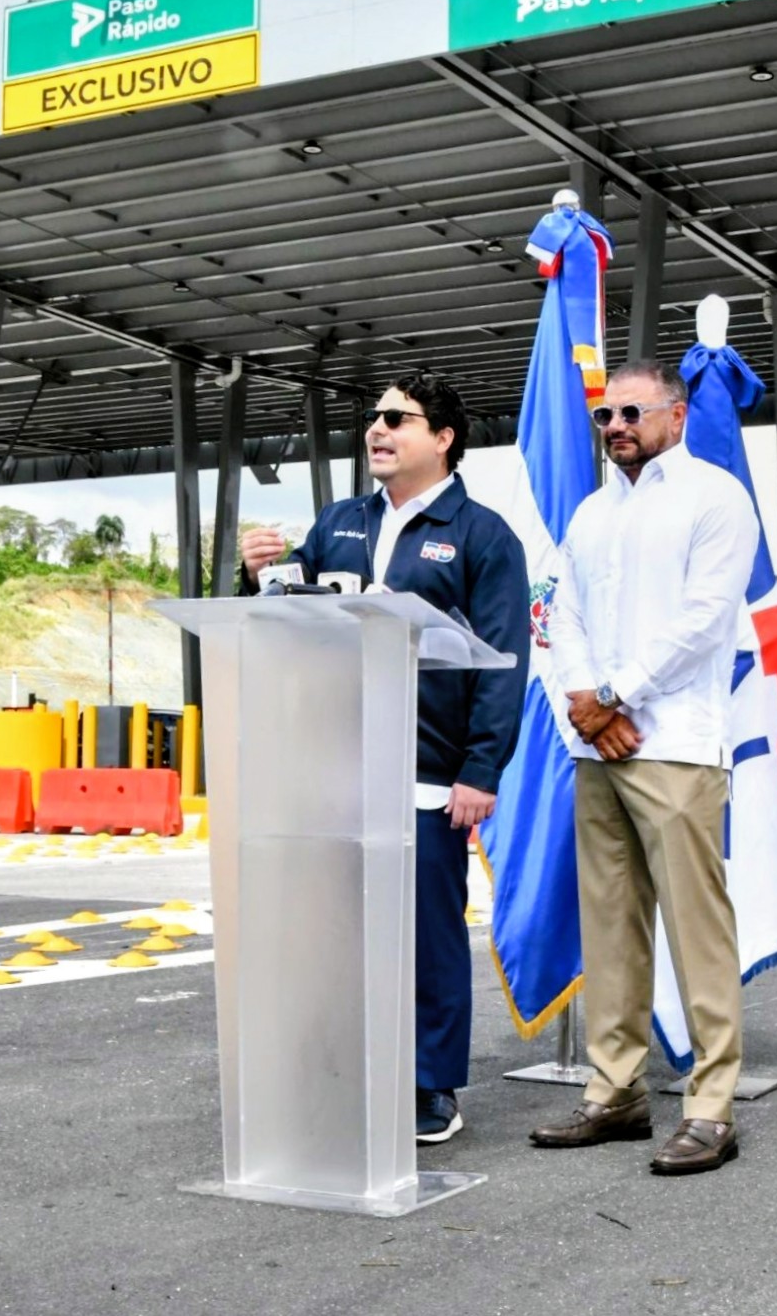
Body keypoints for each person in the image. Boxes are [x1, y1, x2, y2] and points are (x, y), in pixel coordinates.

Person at [240, 371, 529, 1145]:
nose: (377, 427)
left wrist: (481, 770)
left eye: (397, 417)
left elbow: (503, 660)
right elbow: (284, 615)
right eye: (373, 416)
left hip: (429, 772)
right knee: (333, 934)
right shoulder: (338, 521)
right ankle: (342, 1068)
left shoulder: (482, 534)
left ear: (443, 437)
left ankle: (431, 1084)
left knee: (428, 937)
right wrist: (255, 569)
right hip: (333, 766)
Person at [529, 359, 759, 1175]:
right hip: (599, 744)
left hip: (678, 744)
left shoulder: (714, 498)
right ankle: (616, 1090)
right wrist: (588, 704)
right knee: (611, 924)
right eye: (605, 415)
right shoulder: (591, 514)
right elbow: (561, 613)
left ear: (676, 412)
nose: (617, 425)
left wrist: (617, 693)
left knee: (698, 929)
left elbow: (705, 620)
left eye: (632, 410)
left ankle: (710, 1104)